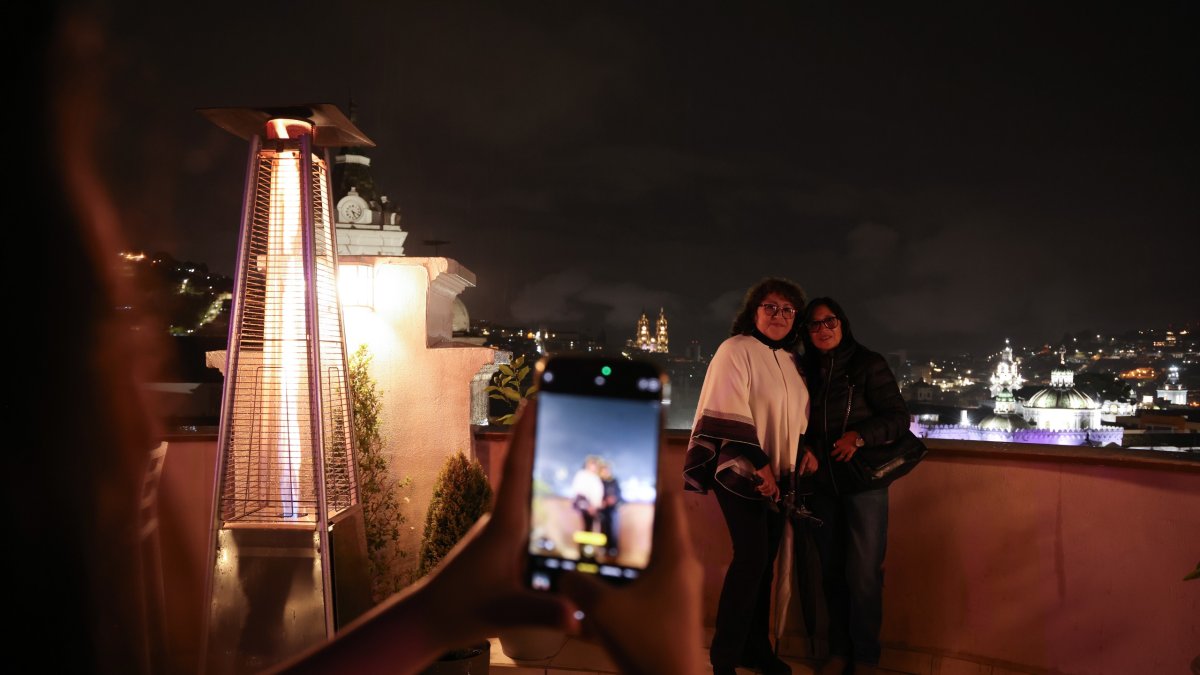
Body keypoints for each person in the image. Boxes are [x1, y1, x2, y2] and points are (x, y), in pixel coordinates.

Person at [683, 277, 817, 675]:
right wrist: (761, 467)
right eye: (770, 307)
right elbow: (728, 410)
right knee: (752, 559)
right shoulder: (736, 349)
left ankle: (754, 649)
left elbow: (796, 417)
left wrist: (804, 449)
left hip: (778, 475)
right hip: (741, 470)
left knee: (765, 564)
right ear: (753, 311)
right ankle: (724, 656)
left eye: (788, 310)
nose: (779, 315)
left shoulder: (792, 361)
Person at [800, 298, 910, 675]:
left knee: (863, 573)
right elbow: (795, 422)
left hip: (864, 483)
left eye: (829, 321)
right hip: (821, 485)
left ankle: (865, 657)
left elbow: (898, 418)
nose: (823, 329)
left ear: (843, 324)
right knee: (830, 571)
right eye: (814, 325)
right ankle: (839, 652)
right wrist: (806, 450)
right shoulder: (805, 370)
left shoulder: (868, 364)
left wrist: (858, 437)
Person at [571, 455, 604, 533]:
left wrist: (596, 505)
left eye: (596, 465)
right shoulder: (582, 475)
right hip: (582, 504)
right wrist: (589, 506)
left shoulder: (596, 478)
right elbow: (579, 491)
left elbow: (597, 495)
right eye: (593, 464)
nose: (594, 467)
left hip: (594, 507)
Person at [596, 459, 622, 558]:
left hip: (612, 510)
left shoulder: (614, 481)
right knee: (603, 529)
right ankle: (603, 548)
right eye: (603, 470)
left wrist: (614, 500)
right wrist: (602, 502)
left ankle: (613, 549)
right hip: (602, 510)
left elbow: (620, 496)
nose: (605, 472)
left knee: (613, 530)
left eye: (607, 470)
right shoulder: (599, 482)